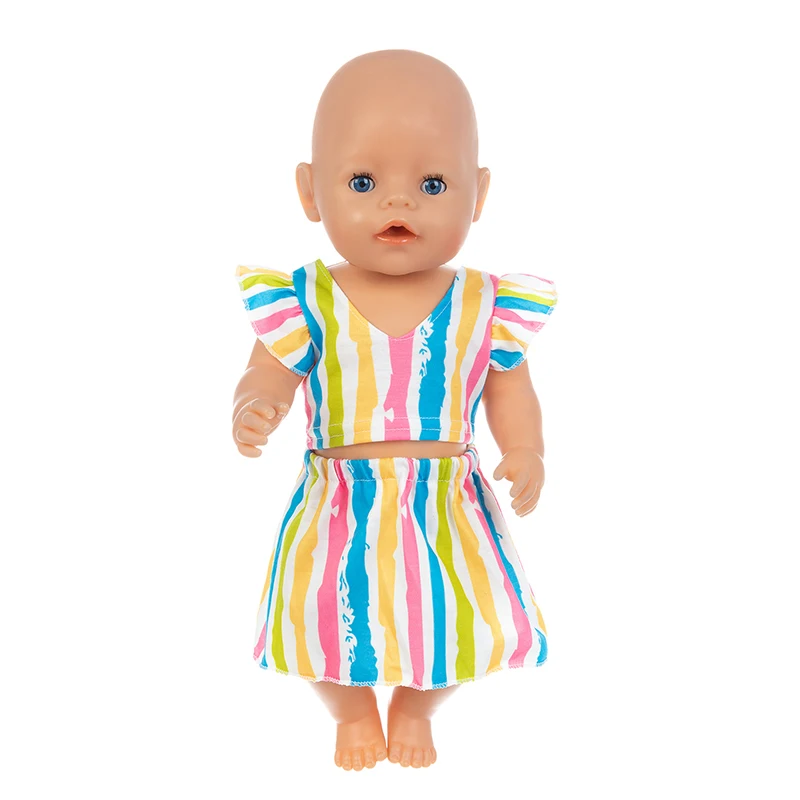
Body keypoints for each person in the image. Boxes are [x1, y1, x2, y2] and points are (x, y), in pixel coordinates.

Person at [232, 49, 558, 771]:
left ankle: (417, 704)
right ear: (310, 191)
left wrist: (526, 450)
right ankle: (351, 712)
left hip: (447, 498)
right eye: (363, 182)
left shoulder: (485, 304)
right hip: (338, 498)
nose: (398, 203)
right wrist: (256, 403)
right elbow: (269, 369)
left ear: (478, 194)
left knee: (459, 616)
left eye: (432, 184)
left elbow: (510, 389)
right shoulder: (305, 298)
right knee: (318, 613)